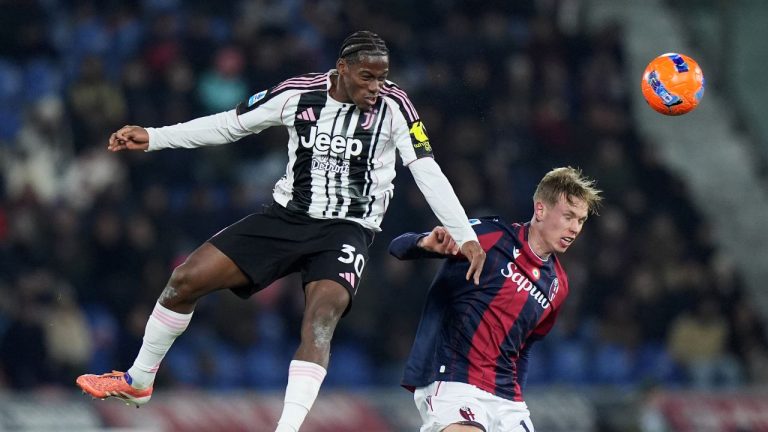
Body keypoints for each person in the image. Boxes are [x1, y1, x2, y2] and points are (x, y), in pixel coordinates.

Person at [75, 30, 486, 432]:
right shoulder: (297, 95)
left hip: (347, 229)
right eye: (367, 77)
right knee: (184, 280)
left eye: (382, 77)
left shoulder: (396, 106)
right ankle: (139, 381)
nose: (377, 87)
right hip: (286, 218)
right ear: (341, 69)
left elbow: (424, 168)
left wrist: (463, 233)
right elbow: (229, 125)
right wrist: (155, 137)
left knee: (320, 320)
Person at [389, 167, 602, 432]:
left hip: (506, 400)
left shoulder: (557, 285)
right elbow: (397, 246)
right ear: (540, 210)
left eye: (580, 220)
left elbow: (523, 350)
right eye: (568, 216)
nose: (574, 228)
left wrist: (516, 398)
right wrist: (423, 243)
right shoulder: (491, 236)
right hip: (454, 380)